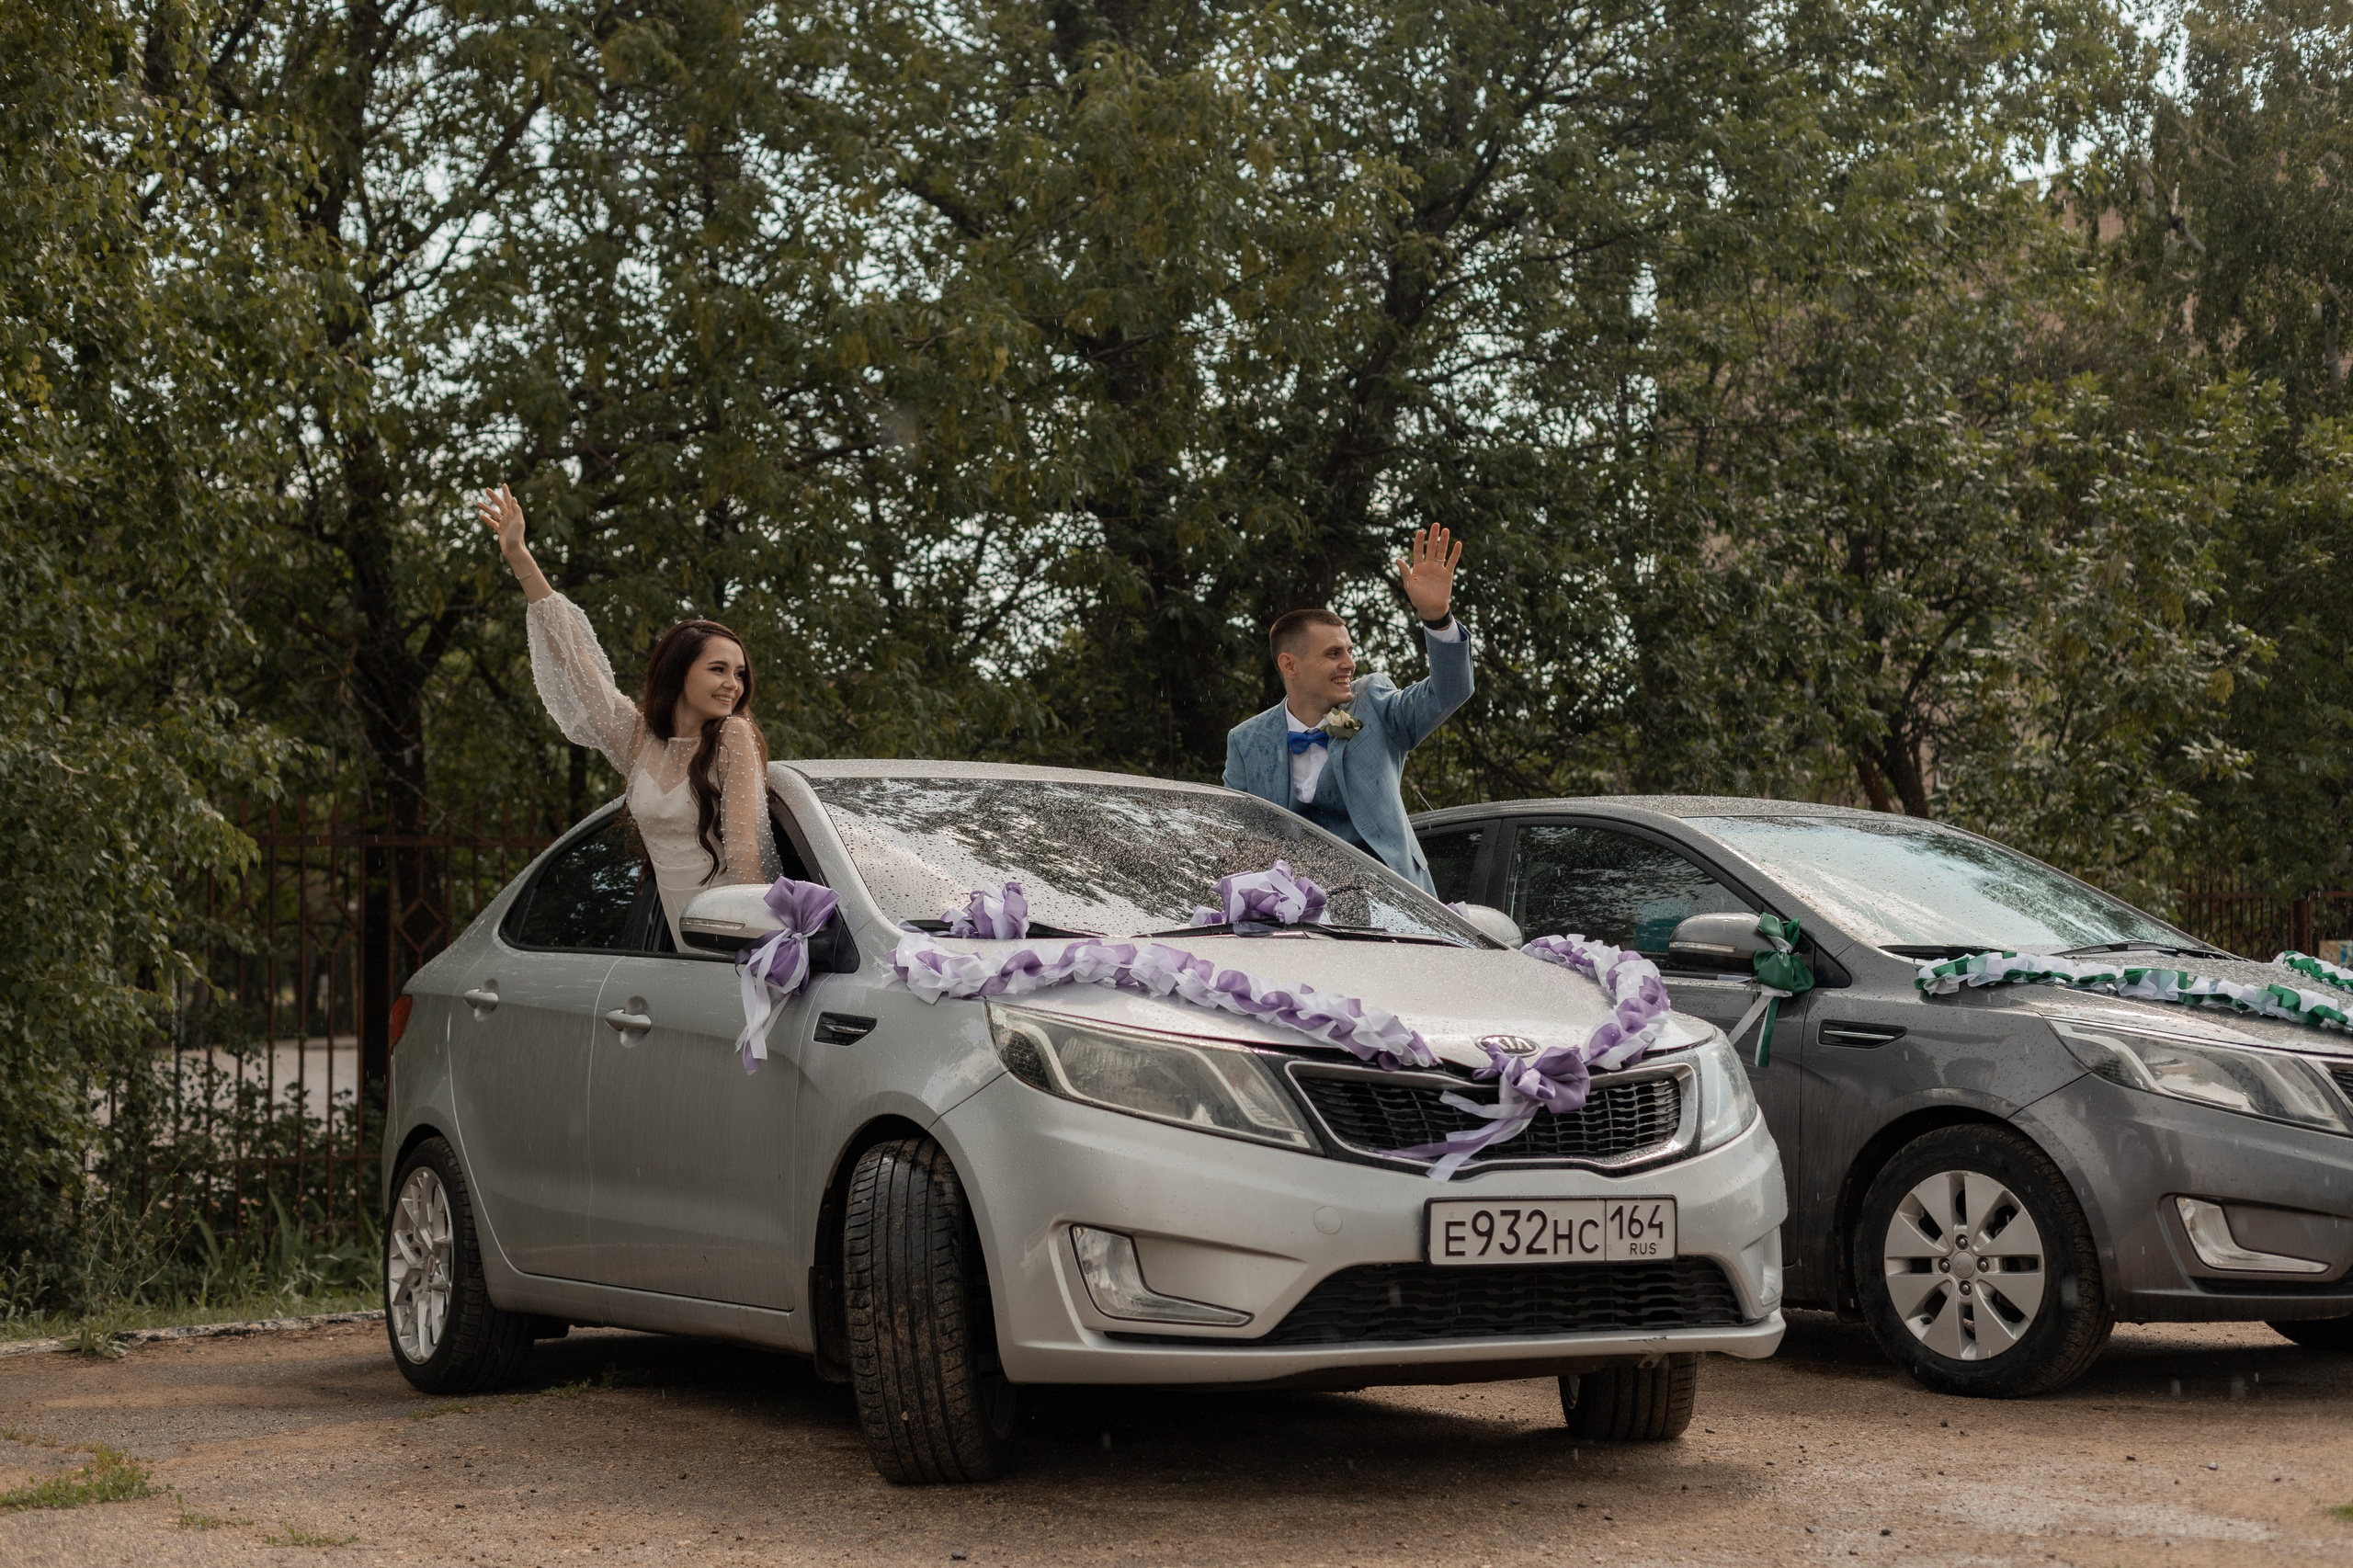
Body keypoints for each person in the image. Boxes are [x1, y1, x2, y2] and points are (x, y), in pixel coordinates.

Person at [476, 485, 779, 945]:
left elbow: (744, 848)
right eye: (718, 669)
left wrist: (759, 947)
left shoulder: (731, 735)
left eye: (738, 673)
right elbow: (576, 660)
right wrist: (519, 556)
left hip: (730, 932)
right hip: (678, 937)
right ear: (679, 672)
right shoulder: (638, 739)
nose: (732, 685)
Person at [1222, 527, 1472, 893]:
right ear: (1290, 665)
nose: (1349, 664)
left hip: (1391, 897)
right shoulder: (1246, 741)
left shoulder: (1373, 702)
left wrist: (1437, 617)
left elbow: (1450, 691)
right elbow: (1239, 839)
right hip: (1296, 909)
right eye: (1333, 653)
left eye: (1350, 651)